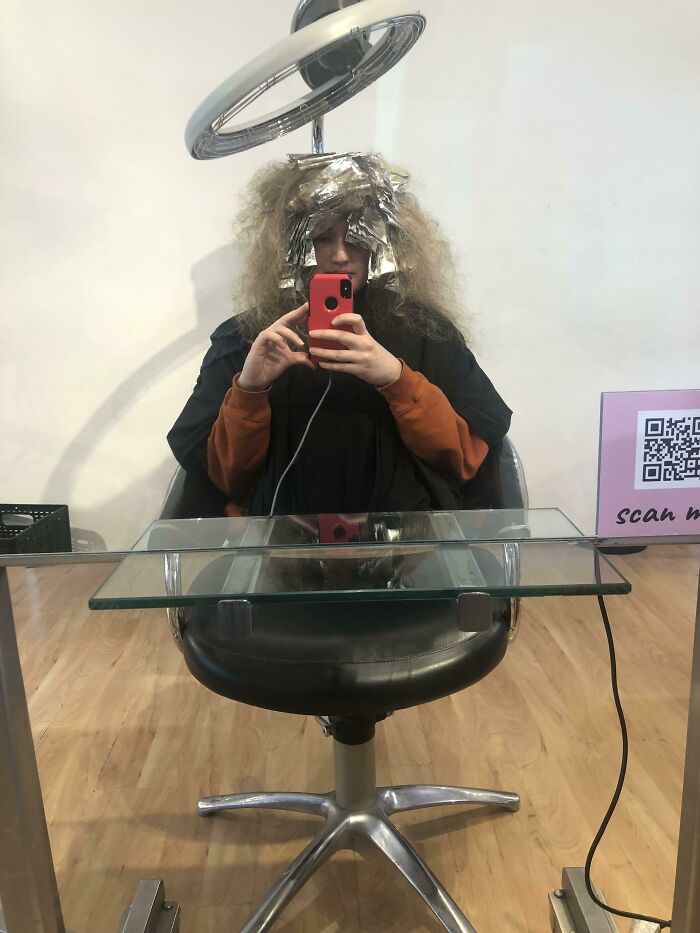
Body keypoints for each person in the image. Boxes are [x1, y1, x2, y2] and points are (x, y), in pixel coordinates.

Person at [168, 153, 511, 517]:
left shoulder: (425, 331)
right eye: (321, 238)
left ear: (383, 241)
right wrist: (250, 390)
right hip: (278, 540)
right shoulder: (247, 338)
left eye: (357, 238)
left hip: (407, 540)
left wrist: (398, 379)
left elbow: (464, 459)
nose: (341, 256)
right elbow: (222, 478)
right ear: (288, 243)